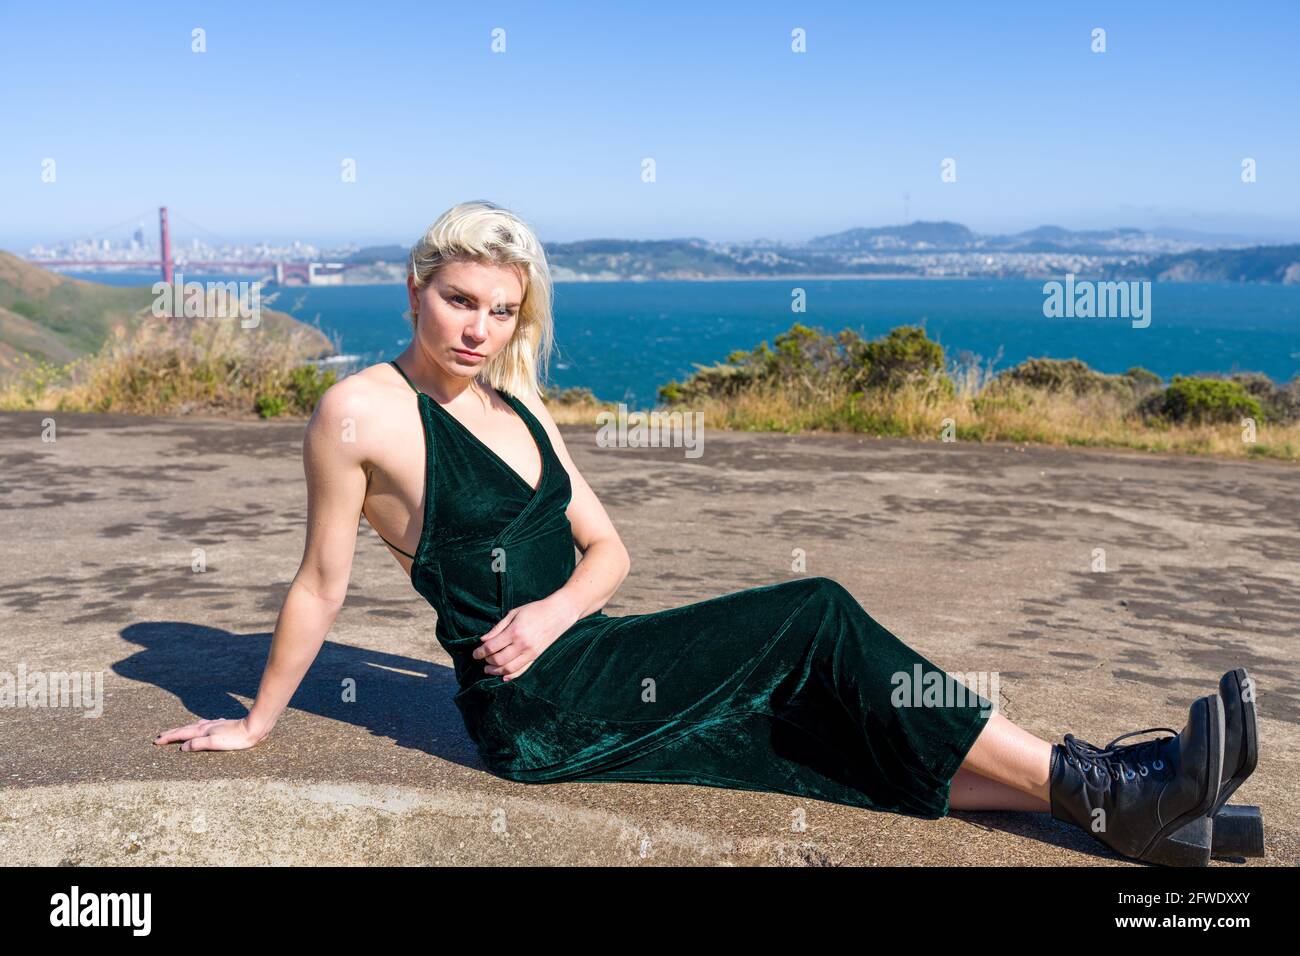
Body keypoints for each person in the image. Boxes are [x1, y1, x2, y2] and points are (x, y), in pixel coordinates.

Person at [154, 200, 1260, 867]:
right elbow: (319, 583)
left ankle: (1121, 800)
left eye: (500, 308)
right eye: (458, 300)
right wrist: (255, 722)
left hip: (580, 650)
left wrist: (547, 611)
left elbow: (611, 554)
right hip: (532, 711)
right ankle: (1109, 784)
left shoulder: (519, 402)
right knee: (811, 611)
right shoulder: (360, 413)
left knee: (808, 721)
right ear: (414, 288)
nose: (478, 327)